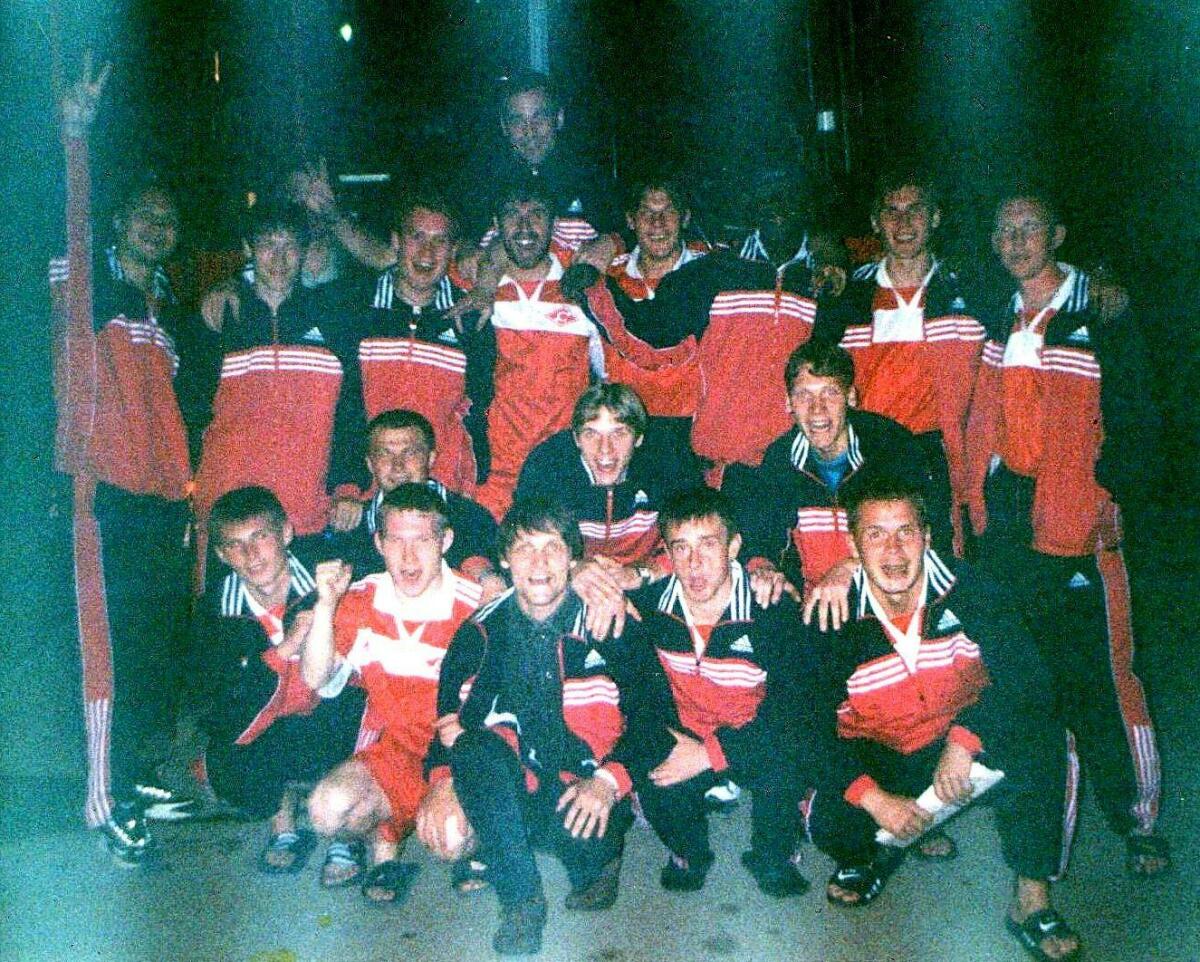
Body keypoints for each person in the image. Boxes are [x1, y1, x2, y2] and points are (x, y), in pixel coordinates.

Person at [964, 191, 1168, 877]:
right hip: (1008, 518)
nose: (1017, 241)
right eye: (1005, 231)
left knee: (1101, 676)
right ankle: (1039, 827)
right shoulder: (995, 311)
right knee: (1024, 677)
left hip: (1078, 515)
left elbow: (1140, 418)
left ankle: (1136, 818)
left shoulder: (1100, 309)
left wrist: (1114, 494)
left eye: (1030, 228)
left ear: (1058, 233)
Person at [806, 477, 1081, 962]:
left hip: (960, 745)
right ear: (852, 545)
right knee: (830, 821)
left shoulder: (970, 588)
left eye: (906, 532)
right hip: (883, 754)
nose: (893, 551)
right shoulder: (831, 613)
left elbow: (1030, 676)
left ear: (928, 536)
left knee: (1045, 738)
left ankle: (1031, 899)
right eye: (875, 535)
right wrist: (875, 799)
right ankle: (879, 848)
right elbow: (804, 726)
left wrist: (966, 738)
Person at [51, 57, 206, 863]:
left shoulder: (163, 306)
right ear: (117, 224)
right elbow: (69, 225)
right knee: (104, 650)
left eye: (167, 218)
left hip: (158, 501)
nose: (156, 225)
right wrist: (76, 137)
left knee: (149, 646)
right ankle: (100, 800)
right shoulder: (83, 284)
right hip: (100, 494)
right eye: (143, 214)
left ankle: (135, 775)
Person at [429, 498, 637, 955]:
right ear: (505, 559)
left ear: (573, 558)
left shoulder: (609, 619)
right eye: (524, 549)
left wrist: (608, 782)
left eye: (552, 548)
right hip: (514, 780)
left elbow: (654, 716)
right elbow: (445, 719)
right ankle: (521, 901)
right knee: (471, 756)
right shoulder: (480, 632)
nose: (539, 564)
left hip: (584, 784)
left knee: (586, 849)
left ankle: (594, 856)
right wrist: (442, 780)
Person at [622, 488, 813, 897]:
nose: (695, 563)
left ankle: (773, 853)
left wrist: (712, 754)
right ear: (667, 555)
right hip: (685, 735)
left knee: (788, 759)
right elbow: (636, 696)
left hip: (753, 736)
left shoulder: (770, 609)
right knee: (654, 776)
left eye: (708, 544)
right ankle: (689, 851)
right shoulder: (649, 609)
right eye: (681, 548)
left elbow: (792, 710)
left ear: (734, 547)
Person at [300, 484, 484, 902]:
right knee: (325, 810)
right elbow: (314, 679)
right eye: (396, 541)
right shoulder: (362, 599)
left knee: (451, 837)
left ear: (445, 542)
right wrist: (326, 605)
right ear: (379, 543)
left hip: (459, 754)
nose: (408, 557)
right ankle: (389, 833)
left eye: (422, 541)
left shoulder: (476, 604)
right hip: (395, 751)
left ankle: (481, 842)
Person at [189, 487, 366, 882]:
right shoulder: (214, 609)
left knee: (350, 702)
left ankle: (347, 829)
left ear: (286, 533)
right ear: (221, 555)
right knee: (226, 760)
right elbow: (222, 704)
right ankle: (282, 823)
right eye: (235, 545)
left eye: (261, 537)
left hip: (332, 714)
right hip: (271, 722)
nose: (251, 555)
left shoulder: (328, 577)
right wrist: (284, 649)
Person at [821, 172, 985, 555]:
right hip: (869, 455)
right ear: (875, 222)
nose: (904, 222)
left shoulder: (971, 291)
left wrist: (1099, 274)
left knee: (942, 562)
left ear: (936, 217)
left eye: (915, 210)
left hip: (939, 459)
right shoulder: (849, 295)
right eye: (892, 211)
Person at [191, 201, 367, 556]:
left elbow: (350, 412)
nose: (279, 257)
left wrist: (348, 486)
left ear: (304, 252)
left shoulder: (333, 319)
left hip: (305, 511)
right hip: (230, 514)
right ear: (249, 249)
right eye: (268, 244)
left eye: (290, 245)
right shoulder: (221, 316)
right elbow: (192, 410)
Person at [724, 341, 941, 616]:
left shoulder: (891, 448)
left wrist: (851, 567)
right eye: (804, 395)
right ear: (788, 402)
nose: (817, 409)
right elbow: (762, 538)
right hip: (817, 607)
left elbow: (927, 538)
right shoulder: (780, 460)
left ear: (851, 397)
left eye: (830, 393)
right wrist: (763, 569)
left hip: (891, 599)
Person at [472, 178, 607, 518]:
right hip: (496, 473)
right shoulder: (476, 286)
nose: (524, 226)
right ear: (496, 224)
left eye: (536, 214)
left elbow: (608, 377)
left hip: (563, 468)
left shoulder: (582, 286)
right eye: (512, 214)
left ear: (553, 223)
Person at [324, 409, 504, 598]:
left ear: (430, 459)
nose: (398, 466)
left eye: (410, 453)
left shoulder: (470, 518)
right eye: (385, 454)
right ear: (370, 464)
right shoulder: (350, 525)